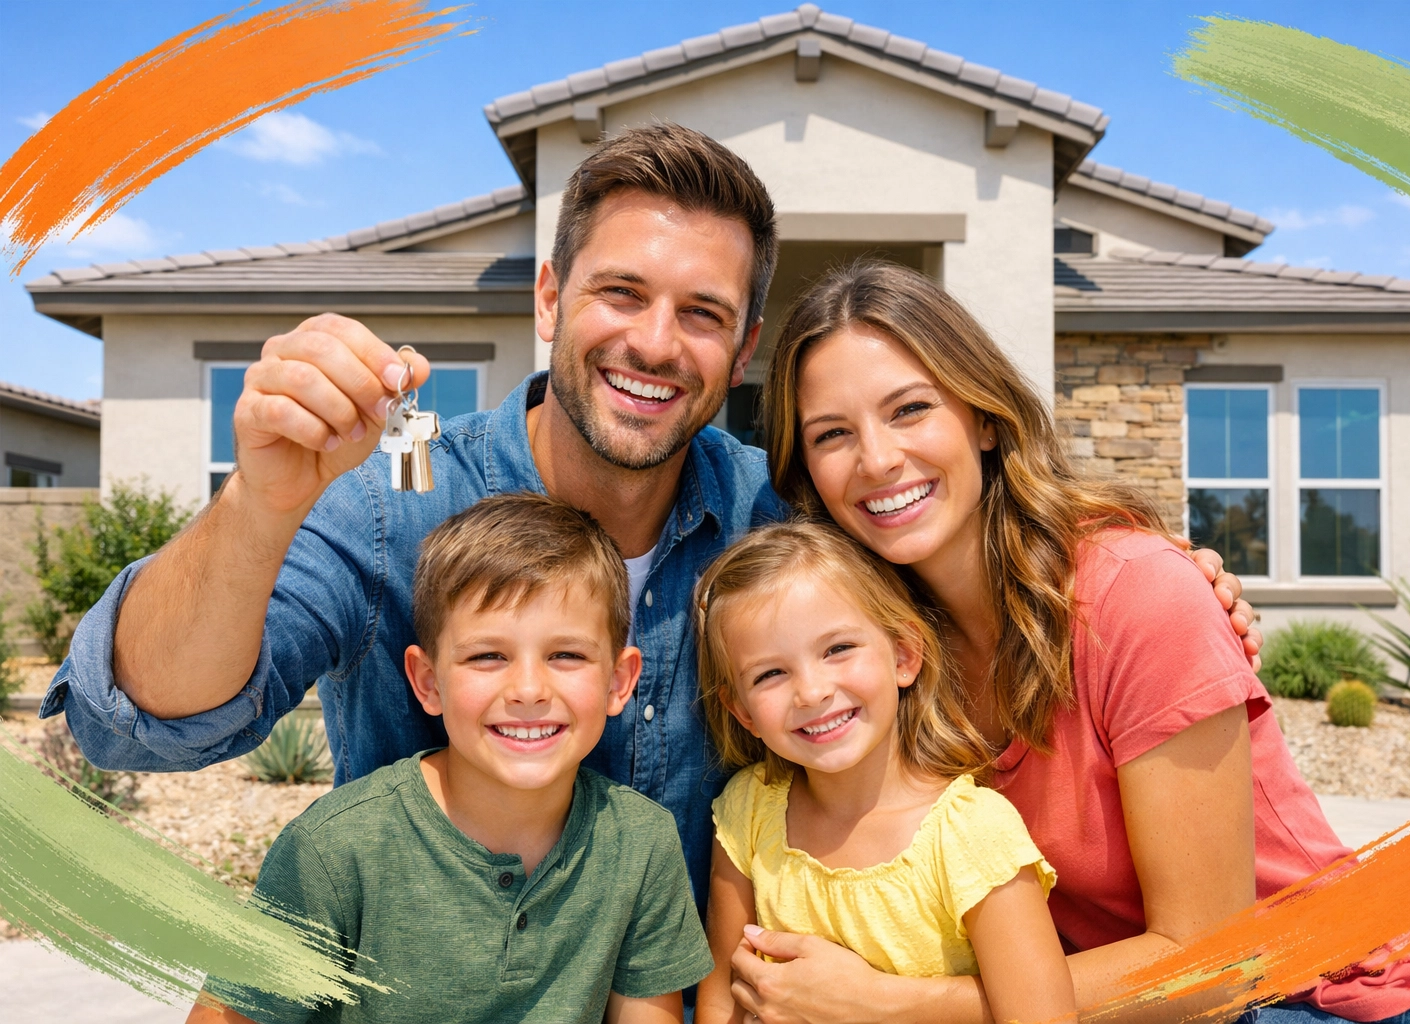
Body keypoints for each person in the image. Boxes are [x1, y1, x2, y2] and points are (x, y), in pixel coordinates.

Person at [45, 123, 1255, 920]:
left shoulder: (779, 516)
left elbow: (946, 583)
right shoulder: (398, 497)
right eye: (620, 292)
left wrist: (1157, 581)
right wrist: (259, 501)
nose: (654, 342)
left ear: (738, 349)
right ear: (549, 298)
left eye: (702, 312)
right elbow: (138, 726)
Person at [729, 259, 1410, 1024]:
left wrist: (893, 1006)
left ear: (983, 416)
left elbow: (1211, 965)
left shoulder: (1137, 597)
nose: (877, 459)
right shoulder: (881, 648)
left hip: (1316, 997)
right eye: (832, 434)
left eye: (910, 409)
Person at [187, 493, 713, 1024]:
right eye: (488, 656)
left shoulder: (643, 844)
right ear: (428, 681)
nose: (528, 689)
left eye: (566, 655)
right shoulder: (335, 851)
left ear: (619, 682)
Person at [692, 522, 1075, 1024]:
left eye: (837, 649)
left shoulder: (973, 835)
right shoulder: (747, 812)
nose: (811, 692)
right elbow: (722, 999)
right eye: (770, 674)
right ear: (742, 711)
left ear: (903, 655)